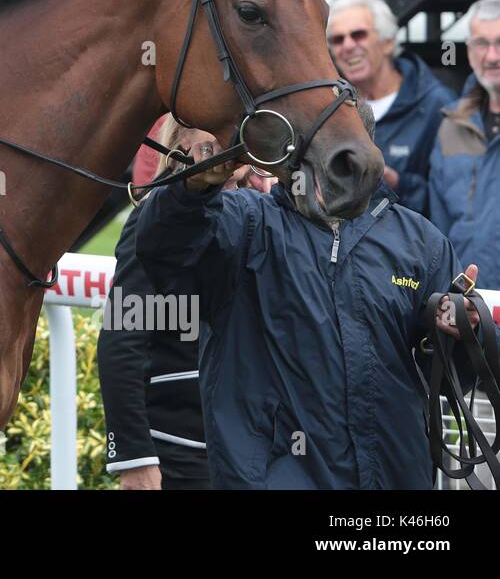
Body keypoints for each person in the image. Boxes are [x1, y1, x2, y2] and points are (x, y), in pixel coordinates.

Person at [136, 104, 482, 489]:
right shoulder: (247, 222)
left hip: (395, 480)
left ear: (369, 150)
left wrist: (465, 335)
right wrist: (192, 188)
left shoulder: (422, 242)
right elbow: (164, 250)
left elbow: (455, 379)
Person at [101, 116, 236, 490]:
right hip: (179, 451)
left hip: (249, 449)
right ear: (179, 146)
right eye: (212, 126)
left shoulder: (265, 216)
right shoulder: (152, 220)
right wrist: (135, 459)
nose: (226, 137)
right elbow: (123, 340)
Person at [327, 0, 455, 214]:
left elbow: (453, 200)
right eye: (338, 40)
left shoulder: (438, 105)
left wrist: (397, 183)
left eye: (358, 35)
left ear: (387, 43)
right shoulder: (327, 107)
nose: (347, 46)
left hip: (414, 245)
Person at [429, 0, 500, 287]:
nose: (491, 56)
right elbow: (440, 227)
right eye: (481, 43)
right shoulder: (451, 126)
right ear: (469, 51)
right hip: (469, 311)